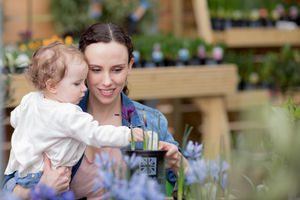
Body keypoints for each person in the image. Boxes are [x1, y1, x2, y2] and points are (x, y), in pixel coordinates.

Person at [5, 22, 188, 199]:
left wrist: (178, 163)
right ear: (81, 68)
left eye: (117, 69)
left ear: (130, 66)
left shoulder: (149, 121)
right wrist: (38, 190)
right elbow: (7, 189)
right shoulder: (52, 115)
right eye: (96, 70)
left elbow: (200, 188)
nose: (107, 81)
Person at [3, 41, 144, 196]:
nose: (84, 88)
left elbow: (15, 119)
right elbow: (95, 134)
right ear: (52, 86)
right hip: (49, 177)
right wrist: (127, 134)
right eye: (77, 83)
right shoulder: (68, 113)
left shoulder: (30, 100)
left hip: (22, 174)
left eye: (84, 82)